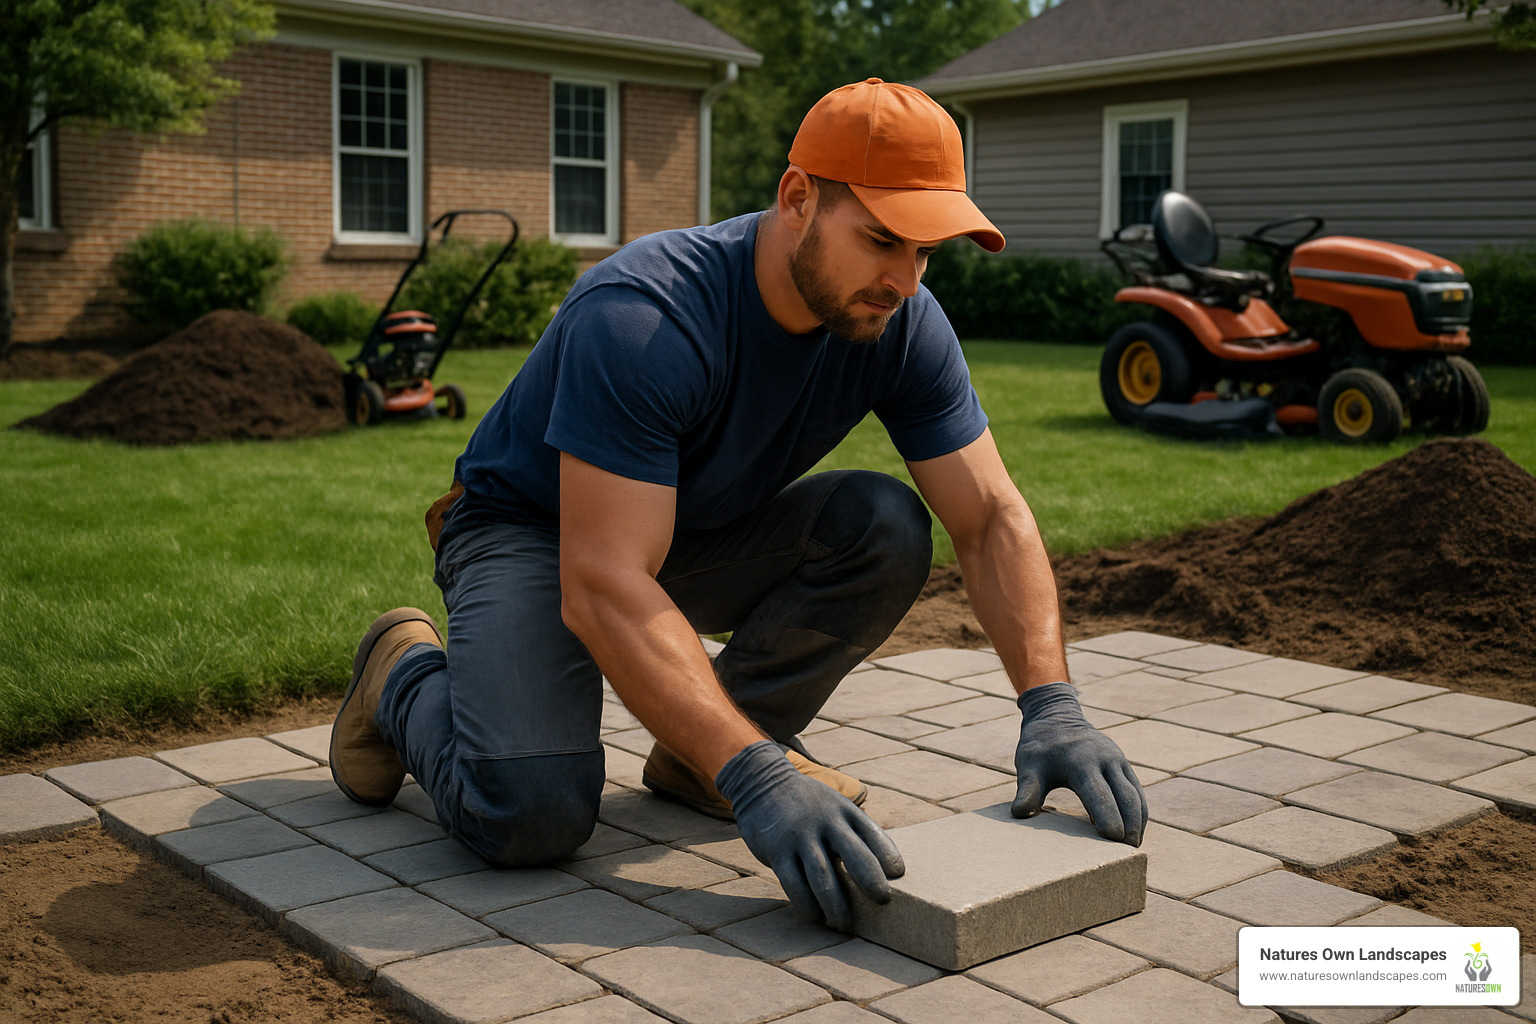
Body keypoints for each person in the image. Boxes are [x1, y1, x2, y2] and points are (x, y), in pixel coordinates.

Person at [330, 78, 1148, 932]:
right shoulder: (645, 316)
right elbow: (603, 582)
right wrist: (760, 778)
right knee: (531, 811)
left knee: (883, 525)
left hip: (684, 526)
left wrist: (1052, 705)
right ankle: (402, 674)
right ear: (798, 199)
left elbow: (990, 517)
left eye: (925, 251)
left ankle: (702, 759)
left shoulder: (900, 320)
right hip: (532, 528)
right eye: (882, 239)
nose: (905, 281)